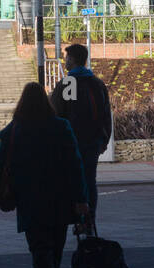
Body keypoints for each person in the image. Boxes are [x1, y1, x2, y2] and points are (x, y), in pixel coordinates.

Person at [0, 82, 89, 268]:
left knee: (39, 250)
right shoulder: (61, 127)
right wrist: (81, 199)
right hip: (60, 198)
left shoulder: (15, 130)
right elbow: (75, 165)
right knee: (55, 249)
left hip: (30, 198)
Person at [48, 43, 113, 218]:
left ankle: (77, 217)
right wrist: (104, 140)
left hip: (72, 142)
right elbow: (106, 114)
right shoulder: (96, 83)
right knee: (90, 180)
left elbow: (59, 114)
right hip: (93, 142)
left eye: (67, 57)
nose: (65, 60)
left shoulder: (69, 83)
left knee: (72, 180)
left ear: (74, 60)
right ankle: (89, 218)